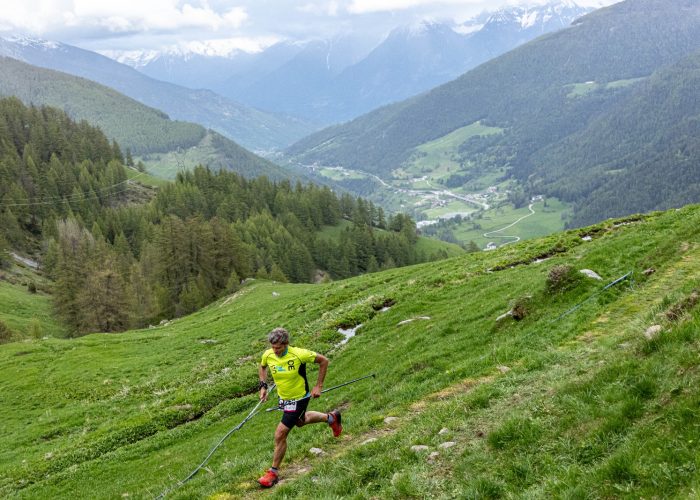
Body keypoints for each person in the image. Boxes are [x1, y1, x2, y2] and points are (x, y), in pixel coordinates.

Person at [257, 327, 342, 488]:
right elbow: (262, 367)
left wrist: (318, 386)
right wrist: (263, 386)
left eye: (279, 348)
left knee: (280, 434)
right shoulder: (268, 355)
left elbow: (324, 361)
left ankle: (273, 473)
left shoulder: (298, 354)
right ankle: (332, 418)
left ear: (286, 343)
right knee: (300, 421)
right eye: (273, 347)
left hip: (299, 398)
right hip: (284, 398)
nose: (275, 351)